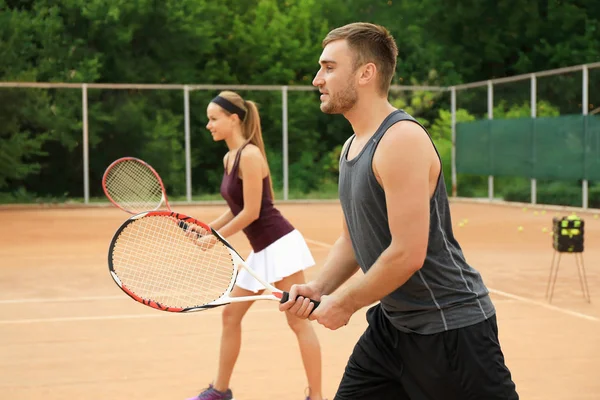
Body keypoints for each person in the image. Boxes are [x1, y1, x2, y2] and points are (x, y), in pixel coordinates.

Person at [279, 22, 519, 400]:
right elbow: (353, 238)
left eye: (328, 67)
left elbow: (407, 253)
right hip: (393, 329)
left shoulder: (401, 140)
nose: (316, 80)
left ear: (365, 73)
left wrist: (344, 303)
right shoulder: (351, 147)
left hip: (450, 329)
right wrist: (320, 288)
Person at [186, 91, 325, 400]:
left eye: (213, 119)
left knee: (298, 321)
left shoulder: (250, 156)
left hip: (280, 246)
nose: (209, 125)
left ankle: (316, 396)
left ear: (233, 119)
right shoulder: (229, 157)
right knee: (230, 316)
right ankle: (219, 391)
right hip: (261, 251)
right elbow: (236, 208)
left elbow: (252, 212)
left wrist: (215, 239)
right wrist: (207, 229)